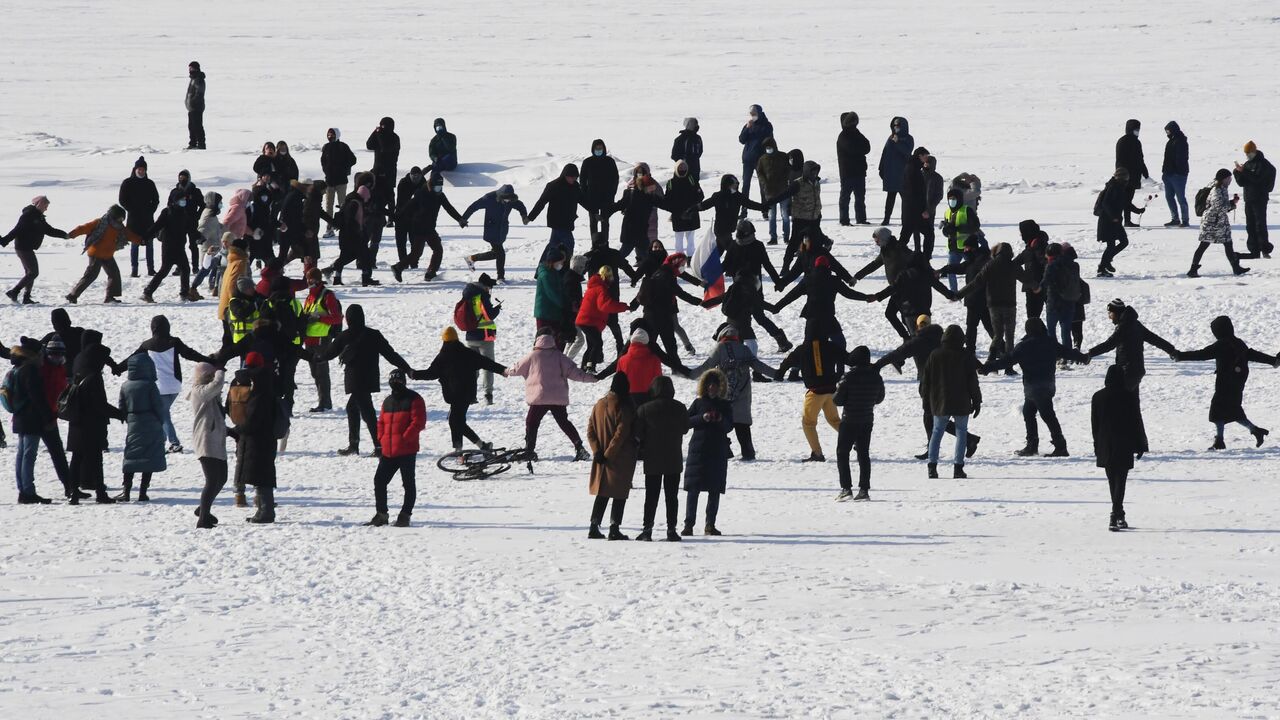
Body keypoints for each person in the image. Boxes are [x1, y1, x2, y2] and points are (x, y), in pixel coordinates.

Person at [313, 305, 411, 456]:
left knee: (368, 413)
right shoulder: (374, 335)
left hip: (355, 380)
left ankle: (379, 446)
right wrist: (407, 368)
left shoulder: (344, 336)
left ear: (348, 319)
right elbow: (391, 355)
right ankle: (354, 444)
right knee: (352, 408)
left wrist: (314, 357)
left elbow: (328, 354)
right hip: (370, 378)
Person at [1171, 316, 1277, 449]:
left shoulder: (1221, 345)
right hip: (1238, 382)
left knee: (1217, 410)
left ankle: (1220, 441)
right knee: (1233, 409)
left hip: (1225, 383)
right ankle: (1254, 430)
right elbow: (1253, 354)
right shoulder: (1239, 343)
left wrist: (1180, 356)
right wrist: (1273, 360)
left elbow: (1202, 354)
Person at [1084, 299, 1177, 446]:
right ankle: (1139, 443)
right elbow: (1154, 338)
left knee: (1122, 406)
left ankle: (1125, 441)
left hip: (1127, 372)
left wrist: (1090, 353)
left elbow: (1110, 343)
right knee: (1132, 406)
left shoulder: (1125, 326)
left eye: (1110, 313)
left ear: (1117, 312)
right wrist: (1171, 349)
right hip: (1135, 371)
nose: (1109, 316)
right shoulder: (1134, 323)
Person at [984, 318, 1075, 457]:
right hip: (1047, 385)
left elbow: (1006, 361)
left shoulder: (1024, 346)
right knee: (1028, 412)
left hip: (1034, 387)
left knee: (1047, 415)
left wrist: (987, 367)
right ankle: (1032, 445)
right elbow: (1068, 352)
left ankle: (1060, 446)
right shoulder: (1050, 342)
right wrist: (1084, 357)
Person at [688, 324, 774, 461]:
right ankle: (748, 453)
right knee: (743, 426)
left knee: (720, 423)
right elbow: (759, 366)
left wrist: (690, 374)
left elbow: (707, 366)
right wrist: (778, 373)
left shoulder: (720, 348)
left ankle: (726, 451)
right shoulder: (744, 349)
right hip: (743, 392)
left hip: (723, 393)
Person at [505, 331, 596, 461]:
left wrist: (505, 371)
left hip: (539, 398)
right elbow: (576, 373)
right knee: (564, 422)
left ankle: (529, 450)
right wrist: (593, 378)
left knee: (532, 423)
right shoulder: (559, 356)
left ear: (537, 340)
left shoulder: (533, 356)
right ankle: (579, 447)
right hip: (557, 398)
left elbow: (516, 369)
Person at [411, 327, 506, 452]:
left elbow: (431, 373)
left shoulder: (443, 356)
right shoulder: (467, 353)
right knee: (457, 421)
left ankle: (462, 449)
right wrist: (502, 370)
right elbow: (486, 363)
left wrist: (415, 374)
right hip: (467, 394)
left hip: (455, 395)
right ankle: (480, 446)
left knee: (455, 421)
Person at [134, 315, 214, 454]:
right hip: (175, 385)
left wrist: (117, 367)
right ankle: (163, 441)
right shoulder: (174, 342)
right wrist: (208, 360)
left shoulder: (147, 345)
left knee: (163, 414)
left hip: (159, 386)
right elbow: (190, 354)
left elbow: (133, 358)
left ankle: (174, 443)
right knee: (162, 413)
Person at [64, 329, 122, 504]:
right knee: (96, 459)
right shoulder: (94, 376)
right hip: (92, 423)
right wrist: (119, 414)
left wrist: (112, 364)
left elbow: (103, 354)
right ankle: (101, 494)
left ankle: (73, 493)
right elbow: (99, 404)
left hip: (76, 419)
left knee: (77, 457)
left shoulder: (79, 363)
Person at [957, 241, 1038, 364]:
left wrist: (959, 294)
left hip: (993, 304)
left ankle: (991, 358)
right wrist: (1036, 287)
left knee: (998, 334)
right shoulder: (1013, 265)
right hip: (1009, 304)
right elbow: (1025, 278)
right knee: (1009, 335)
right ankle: (1008, 365)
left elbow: (976, 282)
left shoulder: (990, 265)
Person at [919, 325, 981, 479]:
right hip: (961, 401)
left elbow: (925, 381)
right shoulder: (965, 355)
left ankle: (932, 467)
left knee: (936, 432)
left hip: (940, 401)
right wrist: (977, 401)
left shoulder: (935, 355)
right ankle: (958, 468)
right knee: (961, 433)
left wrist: (925, 400)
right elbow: (973, 381)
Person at [367, 369, 426, 527]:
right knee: (379, 481)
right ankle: (381, 514)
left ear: (404, 382)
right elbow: (381, 422)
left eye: (399, 381)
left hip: (407, 450)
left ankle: (405, 515)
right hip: (388, 451)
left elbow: (418, 422)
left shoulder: (415, 399)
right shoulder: (388, 401)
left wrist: (405, 438)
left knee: (408, 484)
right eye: (393, 381)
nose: (396, 384)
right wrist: (381, 438)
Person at [633, 376, 689, 542]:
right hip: (673, 457)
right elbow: (685, 429)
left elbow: (638, 433)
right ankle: (671, 530)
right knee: (672, 497)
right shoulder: (680, 407)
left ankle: (647, 529)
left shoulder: (644, 409)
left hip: (652, 458)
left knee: (651, 496)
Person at [777, 331, 847, 462]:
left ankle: (817, 453)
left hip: (815, 392)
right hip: (831, 390)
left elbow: (788, 361)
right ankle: (854, 441)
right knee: (834, 420)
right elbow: (847, 358)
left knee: (808, 423)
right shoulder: (831, 346)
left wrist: (779, 373)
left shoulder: (803, 348)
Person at [1091, 365, 1146, 531]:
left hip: (1105, 443)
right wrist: (1141, 443)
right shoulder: (1129, 396)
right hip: (1124, 443)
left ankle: (1117, 513)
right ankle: (1116, 515)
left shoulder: (1098, 397)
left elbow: (1095, 424)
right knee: (1120, 480)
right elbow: (1136, 421)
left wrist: (1096, 445)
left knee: (1112, 480)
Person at [586, 373, 638, 540]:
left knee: (602, 493)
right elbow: (621, 434)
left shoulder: (599, 404)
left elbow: (590, 430)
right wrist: (609, 454)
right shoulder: (624, 407)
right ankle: (614, 527)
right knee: (619, 493)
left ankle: (594, 526)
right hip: (619, 458)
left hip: (601, 458)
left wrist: (597, 452)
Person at [682, 368, 734, 536]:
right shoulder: (698, 403)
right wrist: (701, 418)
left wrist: (719, 419)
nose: (713, 388)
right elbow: (685, 423)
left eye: (716, 385)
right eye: (710, 385)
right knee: (693, 489)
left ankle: (710, 524)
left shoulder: (725, 405)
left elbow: (729, 426)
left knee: (714, 490)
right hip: (698, 450)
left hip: (717, 451)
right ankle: (688, 524)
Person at [229, 352, 279, 523]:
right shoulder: (267, 383)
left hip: (257, 439)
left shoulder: (258, 390)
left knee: (262, 475)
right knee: (262, 474)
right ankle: (263, 510)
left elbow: (252, 420)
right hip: (265, 437)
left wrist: (236, 430)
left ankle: (266, 512)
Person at [832, 346, 884, 501]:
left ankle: (846, 488)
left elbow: (837, 400)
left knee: (842, 453)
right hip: (867, 419)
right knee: (863, 454)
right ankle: (864, 490)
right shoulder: (876, 376)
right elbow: (880, 398)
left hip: (849, 420)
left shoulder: (848, 377)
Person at [393, 172, 465, 282]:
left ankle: (430, 272)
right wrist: (398, 216)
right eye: (437, 186)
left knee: (435, 250)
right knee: (420, 252)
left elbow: (449, 208)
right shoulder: (421, 193)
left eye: (440, 186)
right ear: (431, 185)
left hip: (430, 227)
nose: (439, 189)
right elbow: (409, 206)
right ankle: (399, 268)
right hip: (419, 227)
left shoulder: (440, 195)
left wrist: (460, 219)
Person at [8, 340, 55, 504]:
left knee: (22, 455)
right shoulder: (30, 371)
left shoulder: (18, 368)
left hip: (20, 417)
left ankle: (23, 490)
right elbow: (37, 397)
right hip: (31, 418)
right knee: (28, 455)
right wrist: (48, 417)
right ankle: (28, 491)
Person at [115, 354, 167, 502]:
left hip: (134, 423)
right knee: (148, 457)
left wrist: (129, 418)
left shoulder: (125, 385)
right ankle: (143, 492)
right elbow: (158, 406)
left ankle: (126, 490)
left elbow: (121, 407)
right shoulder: (150, 385)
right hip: (151, 423)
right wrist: (160, 421)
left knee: (131, 456)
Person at [66, 205, 138, 304]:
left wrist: (141, 240)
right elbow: (83, 228)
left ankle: (110, 297)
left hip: (108, 255)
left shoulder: (120, 227)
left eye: (122, 218)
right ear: (114, 215)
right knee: (91, 276)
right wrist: (71, 234)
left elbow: (129, 235)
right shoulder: (100, 223)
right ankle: (72, 295)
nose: (121, 220)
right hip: (96, 253)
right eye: (120, 218)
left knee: (114, 275)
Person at [853, 227, 916, 339]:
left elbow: (916, 258)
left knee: (904, 317)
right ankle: (908, 338)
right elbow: (874, 264)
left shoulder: (899, 248)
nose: (876, 243)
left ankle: (914, 339)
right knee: (892, 314)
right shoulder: (884, 250)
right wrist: (857, 276)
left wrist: (928, 271)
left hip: (905, 288)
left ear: (883, 238)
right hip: (895, 289)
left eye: (877, 240)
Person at [2, 196, 67, 304]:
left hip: (27, 247)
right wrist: (5, 240)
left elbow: (49, 230)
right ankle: (14, 291)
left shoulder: (39, 217)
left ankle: (26, 297)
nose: (46, 209)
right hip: (23, 247)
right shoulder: (28, 216)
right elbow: (17, 230)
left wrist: (64, 235)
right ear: (39, 204)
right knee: (33, 272)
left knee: (29, 273)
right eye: (45, 206)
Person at [36, 336, 76, 500]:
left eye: (59, 354)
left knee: (57, 452)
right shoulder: (42, 369)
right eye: (53, 354)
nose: (56, 357)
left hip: (52, 415)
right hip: (42, 417)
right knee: (30, 453)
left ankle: (69, 486)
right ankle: (26, 490)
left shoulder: (61, 368)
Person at [1188, 169, 1249, 277]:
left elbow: (1221, 206)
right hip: (1211, 222)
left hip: (1218, 222)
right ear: (1224, 179)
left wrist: (1231, 203)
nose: (1230, 180)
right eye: (1229, 178)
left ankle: (1236, 268)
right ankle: (1193, 269)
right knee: (1204, 245)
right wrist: (1231, 205)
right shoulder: (1216, 190)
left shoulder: (1222, 188)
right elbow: (1219, 207)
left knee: (1228, 244)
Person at [462, 185, 528, 281]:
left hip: (502, 230)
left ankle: (471, 258)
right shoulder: (489, 198)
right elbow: (474, 206)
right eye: (505, 199)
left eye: (509, 199)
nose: (508, 201)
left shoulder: (511, 200)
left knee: (496, 253)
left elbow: (520, 205)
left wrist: (524, 216)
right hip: (491, 229)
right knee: (500, 253)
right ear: (501, 196)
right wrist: (464, 219)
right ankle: (500, 277)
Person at [189, 363, 227, 528]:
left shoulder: (211, 394)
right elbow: (216, 385)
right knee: (212, 480)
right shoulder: (199, 391)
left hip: (216, 440)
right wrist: (220, 372)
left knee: (222, 478)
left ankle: (203, 508)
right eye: (210, 375)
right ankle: (203, 519)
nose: (213, 377)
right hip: (205, 440)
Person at [299, 268, 342, 412]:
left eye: (310, 279)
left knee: (321, 373)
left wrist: (319, 318)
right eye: (307, 279)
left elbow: (337, 318)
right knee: (315, 373)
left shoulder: (327, 295)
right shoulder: (309, 297)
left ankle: (325, 403)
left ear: (317, 280)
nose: (308, 282)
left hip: (322, 340)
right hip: (309, 340)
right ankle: (323, 402)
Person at [142, 200, 202, 303]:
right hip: (168, 247)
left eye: (184, 199)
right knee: (164, 271)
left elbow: (190, 228)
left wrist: (199, 236)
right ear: (175, 201)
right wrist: (146, 237)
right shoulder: (167, 212)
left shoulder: (184, 213)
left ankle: (184, 293)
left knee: (185, 269)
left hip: (180, 247)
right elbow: (157, 225)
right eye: (181, 200)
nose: (183, 202)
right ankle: (147, 293)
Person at [528, 164, 588, 263]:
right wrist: (531, 217)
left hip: (568, 221)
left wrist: (594, 212)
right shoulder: (553, 186)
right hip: (557, 221)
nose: (573, 179)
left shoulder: (575, 187)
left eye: (575, 177)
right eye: (571, 177)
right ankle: (567, 270)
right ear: (565, 175)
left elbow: (583, 201)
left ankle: (542, 269)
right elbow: (542, 202)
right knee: (569, 243)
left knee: (553, 246)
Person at [575, 266, 630, 373]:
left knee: (592, 344)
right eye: (610, 277)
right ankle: (590, 366)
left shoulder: (594, 287)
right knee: (597, 343)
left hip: (585, 320)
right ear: (606, 277)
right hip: (588, 321)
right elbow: (605, 306)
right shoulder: (601, 289)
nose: (612, 280)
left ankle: (584, 366)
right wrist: (624, 307)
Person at [1094, 167, 1143, 277]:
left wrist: (1138, 210)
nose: (1127, 179)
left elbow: (1126, 203)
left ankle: (1106, 262)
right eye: (1126, 177)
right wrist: (1113, 217)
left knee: (1124, 242)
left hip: (1115, 222)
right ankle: (1102, 268)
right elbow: (1106, 204)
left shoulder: (1120, 187)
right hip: (1108, 222)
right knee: (1111, 246)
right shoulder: (1113, 187)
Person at [1233, 140, 1276, 260]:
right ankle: (1254, 249)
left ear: (1254, 151)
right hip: (1249, 198)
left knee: (1260, 224)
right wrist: (1237, 172)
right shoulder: (1247, 164)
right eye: (1246, 153)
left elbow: (1257, 179)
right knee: (1250, 225)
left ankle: (1265, 249)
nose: (1247, 156)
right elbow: (1242, 183)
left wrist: (1244, 171)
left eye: (1249, 153)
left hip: (1260, 198)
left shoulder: (1264, 165)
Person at [119, 157, 160, 277]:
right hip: (134, 219)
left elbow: (156, 200)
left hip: (147, 219)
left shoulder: (150, 183)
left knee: (150, 244)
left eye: (143, 169)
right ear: (135, 169)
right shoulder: (127, 183)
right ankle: (134, 269)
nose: (141, 171)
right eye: (139, 169)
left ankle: (151, 268)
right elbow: (122, 199)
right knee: (135, 244)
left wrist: (151, 210)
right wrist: (131, 209)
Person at [1041, 243, 1082, 352]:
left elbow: (1045, 282)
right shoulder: (1074, 265)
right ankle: (1066, 355)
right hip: (1069, 301)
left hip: (1054, 302)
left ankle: (1055, 352)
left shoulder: (1052, 265)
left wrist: (1038, 288)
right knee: (1066, 330)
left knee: (1051, 330)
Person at [939, 187, 980, 291]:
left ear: (959, 199)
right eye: (950, 199)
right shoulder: (947, 212)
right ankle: (954, 292)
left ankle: (973, 290)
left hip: (967, 248)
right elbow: (946, 230)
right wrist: (946, 230)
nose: (951, 201)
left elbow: (975, 226)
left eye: (954, 199)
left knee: (972, 270)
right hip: (953, 247)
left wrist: (958, 228)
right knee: (951, 271)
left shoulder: (967, 210)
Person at [580, 139, 619, 244]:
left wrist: (612, 194)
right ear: (593, 149)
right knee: (593, 222)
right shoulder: (587, 162)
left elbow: (615, 179)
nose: (598, 150)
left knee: (605, 221)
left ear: (604, 148)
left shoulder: (609, 162)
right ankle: (595, 244)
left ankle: (605, 243)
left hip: (607, 198)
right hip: (592, 198)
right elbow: (582, 181)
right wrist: (584, 196)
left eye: (600, 148)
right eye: (596, 148)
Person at [320, 128, 357, 238]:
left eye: (332, 134)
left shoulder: (343, 146)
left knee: (343, 205)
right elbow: (323, 161)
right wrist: (327, 170)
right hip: (329, 181)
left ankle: (344, 226)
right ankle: (329, 227)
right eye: (329, 134)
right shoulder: (326, 147)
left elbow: (353, 159)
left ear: (337, 135)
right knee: (328, 206)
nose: (330, 136)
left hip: (341, 181)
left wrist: (343, 168)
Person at [877, 116, 914, 225]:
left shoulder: (908, 138)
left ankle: (906, 219)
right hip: (891, 173)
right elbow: (885, 153)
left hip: (903, 174)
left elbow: (907, 153)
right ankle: (886, 218)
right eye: (894, 125)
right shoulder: (891, 137)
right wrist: (881, 167)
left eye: (898, 125)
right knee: (890, 197)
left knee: (906, 199)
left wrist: (898, 143)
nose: (896, 127)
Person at [836, 111, 871, 225]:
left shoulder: (857, 133)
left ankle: (861, 219)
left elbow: (867, 146)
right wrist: (860, 150)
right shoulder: (843, 136)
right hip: (847, 173)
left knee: (860, 198)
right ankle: (844, 220)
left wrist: (859, 149)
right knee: (845, 199)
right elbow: (852, 149)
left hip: (859, 172)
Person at [738, 104, 773, 212]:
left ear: (759, 113)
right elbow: (741, 140)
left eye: (754, 114)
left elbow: (770, 141)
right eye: (751, 114)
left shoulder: (766, 125)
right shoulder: (749, 125)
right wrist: (747, 128)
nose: (752, 116)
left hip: (761, 160)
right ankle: (744, 209)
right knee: (746, 185)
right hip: (748, 160)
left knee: (763, 185)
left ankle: (765, 209)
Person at [755, 138, 790, 244]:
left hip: (783, 191)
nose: (768, 149)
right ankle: (773, 237)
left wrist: (784, 180)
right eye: (766, 148)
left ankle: (786, 237)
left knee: (785, 215)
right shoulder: (762, 159)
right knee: (772, 216)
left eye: (769, 147)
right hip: (770, 192)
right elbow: (759, 172)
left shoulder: (783, 156)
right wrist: (764, 183)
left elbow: (788, 169)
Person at [665, 160, 704, 255]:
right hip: (677, 214)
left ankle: (690, 256)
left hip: (691, 213)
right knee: (678, 238)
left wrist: (692, 207)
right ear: (676, 169)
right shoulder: (671, 183)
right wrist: (674, 209)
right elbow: (667, 199)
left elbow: (700, 196)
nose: (682, 169)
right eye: (680, 167)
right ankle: (679, 257)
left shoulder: (692, 180)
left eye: (684, 167)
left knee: (690, 238)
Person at [1115, 119, 1149, 226]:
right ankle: (1122, 220)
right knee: (1124, 199)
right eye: (1136, 129)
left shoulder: (1137, 142)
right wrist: (1121, 175)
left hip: (1134, 176)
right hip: (1124, 177)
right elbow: (1119, 160)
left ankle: (1127, 220)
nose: (1137, 132)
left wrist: (1144, 170)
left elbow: (1140, 158)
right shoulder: (1122, 141)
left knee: (1128, 198)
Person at [366, 117, 400, 219]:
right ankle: (379, 214)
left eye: (384, 126)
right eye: (381, 126)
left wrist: (379, 134)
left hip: (389, 170)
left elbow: (385, 148)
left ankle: (391, 217)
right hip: (377, 169)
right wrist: (374, 133)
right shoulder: (378, 135)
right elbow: (369, 145)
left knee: (389, 194)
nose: (382, 128)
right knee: (376, 193)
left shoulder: (394, 138)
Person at [900, 147, 931, 252]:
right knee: (905, 236)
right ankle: (896, 257)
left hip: (912, 210)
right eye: (925, 156)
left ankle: (924, 257)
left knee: (907, 235)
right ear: (920, 156)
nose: (926, 159)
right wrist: (922, 210)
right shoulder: (912, 169)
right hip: (913, 210)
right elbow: (914, 192)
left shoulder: (914, 167)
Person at [1161, 121, 1190, 227]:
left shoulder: (1181, 141)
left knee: (1180, 198)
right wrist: (1164, 172)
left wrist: (1176, 170)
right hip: (1168, 174)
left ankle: (1185, 220)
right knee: (1169, 197)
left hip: (1178, 175)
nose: (1167, 133)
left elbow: (1181, 159)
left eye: (1168, 131)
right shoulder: (1171, 141)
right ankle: (1175, 218)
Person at [185, 61, 206, 150]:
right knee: (191, 126)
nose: (190, 70)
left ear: (196, 68)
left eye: (191, 68)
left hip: (197, 107)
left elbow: (199, 93)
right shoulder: (193, 79)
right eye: (189, 68)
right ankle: (192, 143)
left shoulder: (198, 79)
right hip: (191, 108)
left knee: (197, 126)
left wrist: (193, 102)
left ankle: (201, 144)